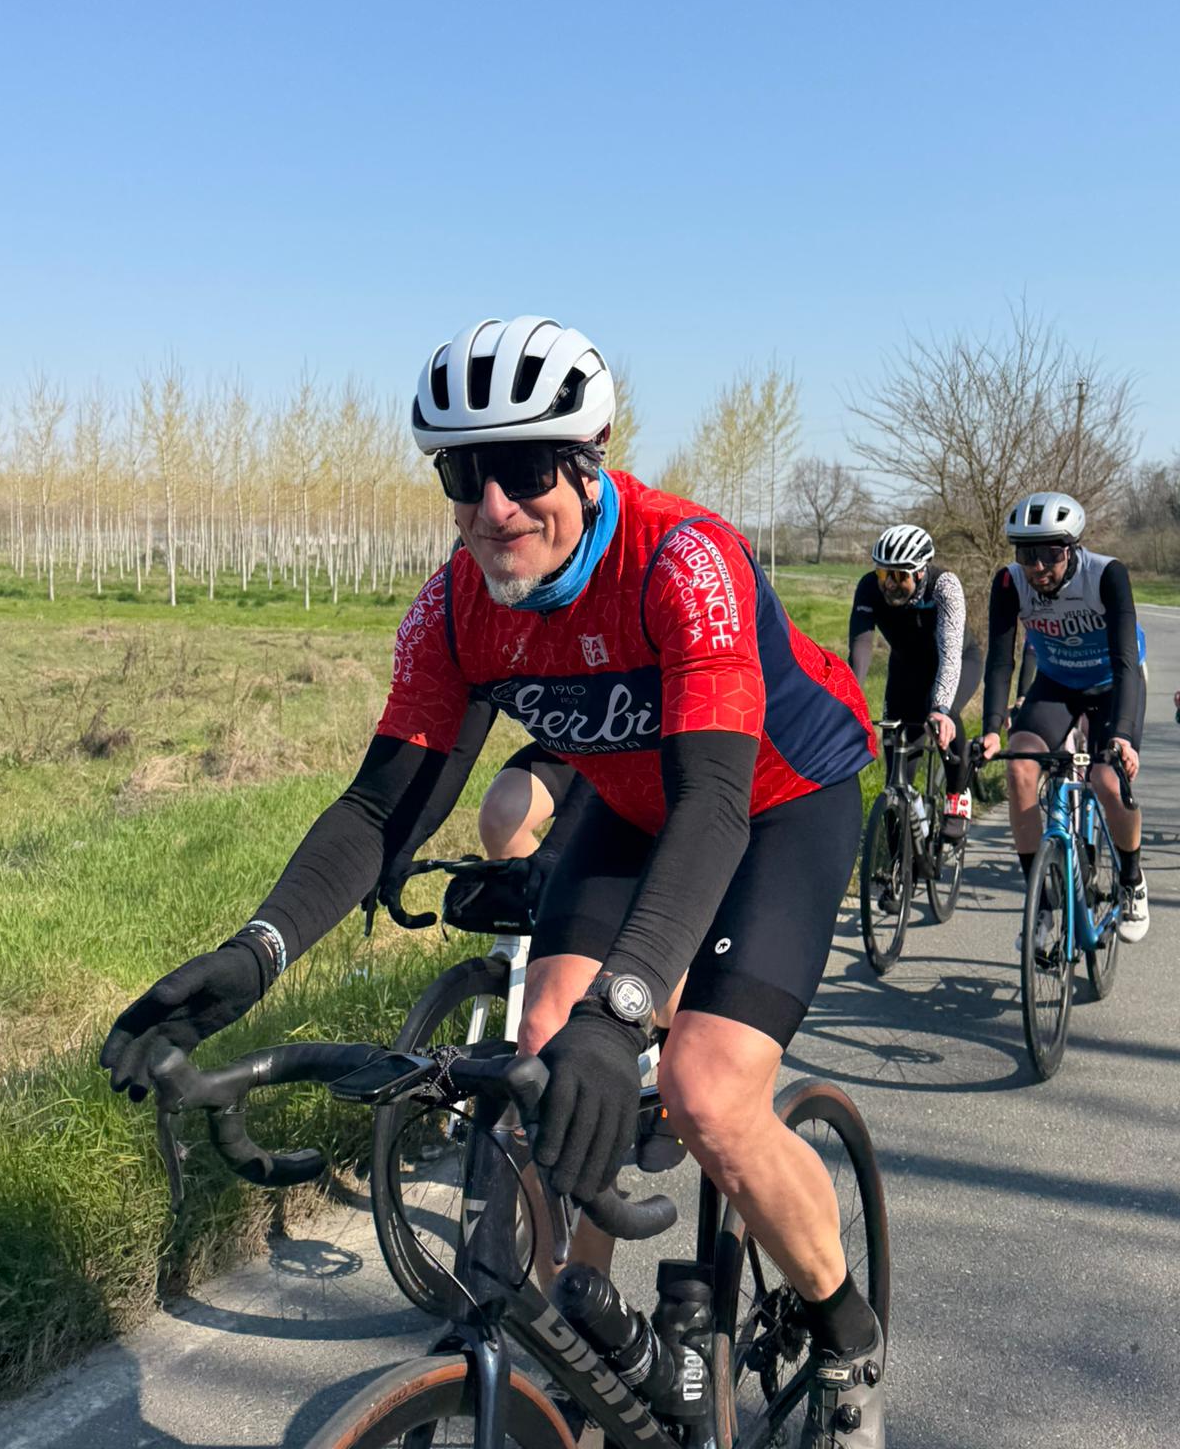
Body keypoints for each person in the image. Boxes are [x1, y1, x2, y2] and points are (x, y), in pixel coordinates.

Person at [101, 316, 886, 1447]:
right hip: (632, 807)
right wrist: (252, 954)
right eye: (464, 477)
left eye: (524, 470)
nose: (495, 507)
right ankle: (589, 1331)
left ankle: (846, 1331)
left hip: (775, 800)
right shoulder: (455, 607)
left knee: (707, 1092)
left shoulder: (685, 559)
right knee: (542, 1062)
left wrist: (628, 1011)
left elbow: (714, 802)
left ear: (588, 462)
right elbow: (381, 810)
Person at [980, 492, 1148, 942]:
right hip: (1057, 686)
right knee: (1019, 768)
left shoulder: (1106, 575)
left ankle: (1131, 879)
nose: (1037, 567)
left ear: (1071, 549)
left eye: (1050, 553)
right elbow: (1000, 661)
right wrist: (991, 729)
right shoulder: (1009, 583)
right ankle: (1041, 907)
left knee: (1107, 780)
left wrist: (1123, 736)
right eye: (1026, 554)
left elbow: (1126, 662)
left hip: (1113, 684)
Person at [848, 524, 980, 841]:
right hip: (906, 668)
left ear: (920, 573)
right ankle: (900, 856)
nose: (889, 584)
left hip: (958, 662)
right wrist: (848, 701)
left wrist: (940, 709)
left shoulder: (944, 586)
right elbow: (861, 649)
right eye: (883, 574)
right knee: (897, 775)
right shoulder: (868, 588)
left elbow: (950, 655)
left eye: (899, 576)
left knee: (944, 713)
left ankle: (957, 795)